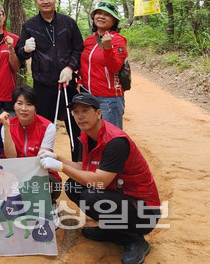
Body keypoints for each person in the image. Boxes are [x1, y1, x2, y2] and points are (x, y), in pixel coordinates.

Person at [39, 93, 161, 264]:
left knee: (91, 195)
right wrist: (57, 158)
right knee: (73, 186)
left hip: (143, 211)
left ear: (98, 113)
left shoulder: (115, 142)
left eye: (85, 111)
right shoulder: (86, 136)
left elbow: (100, 181)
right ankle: (112, 230)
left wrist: (61, 167)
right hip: (120, 197)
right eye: (75, 112)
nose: (80, 116)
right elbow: (84, 169)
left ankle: (133, 240)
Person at [15, 0, 83, 161]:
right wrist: (26, 49)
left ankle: (80, 169)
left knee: (76, 127)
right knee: (43, 128)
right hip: (42, 85)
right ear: (36, 1)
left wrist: (70, 68)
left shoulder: (68, 23)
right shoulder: (30, 25)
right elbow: (19, 53)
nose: (45, 1)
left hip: (67, 83)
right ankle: (44, 168)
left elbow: (78, 49)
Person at [0, 85, 62, 221]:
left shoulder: (48, 127)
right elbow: (11, 157)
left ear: (35, 107)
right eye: (19, 103)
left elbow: (42, 159)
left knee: (48, 183)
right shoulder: (6, 126)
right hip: (15, 174)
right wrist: (6, 128)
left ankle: (50, 204)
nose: (23, 109)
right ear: (14, 105)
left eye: (29, 104)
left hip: (40, 174)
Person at [80, 1, 128, 128]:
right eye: (99, 13)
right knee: (91, 138)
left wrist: (108, 48)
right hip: (88, 98)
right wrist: (80, 82)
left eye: (106, 15)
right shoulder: (89, 40)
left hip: (109, 100)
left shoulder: (117, 40)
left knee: (110, 139)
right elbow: (83, 64)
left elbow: (115, 67)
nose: (101, 17)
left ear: (114, 21)